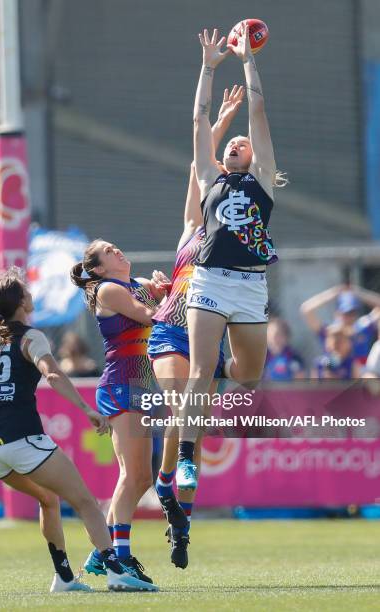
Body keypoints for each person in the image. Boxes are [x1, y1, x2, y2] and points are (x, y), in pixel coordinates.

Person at [0, 267, 156, 593]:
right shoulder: (31, 336)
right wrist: (86, 409)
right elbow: (53, 375)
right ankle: (115, 571)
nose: (31, 295)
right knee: (86, 502)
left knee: (48, 499)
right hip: (22, 439)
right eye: (27, 292)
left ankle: (64, 578)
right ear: (21, 302)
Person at [178, 25, 285, 490]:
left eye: (244, 141)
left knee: (250, 375)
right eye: (233, 142)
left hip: (249, 285)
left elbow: (258, 111)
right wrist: (208, 66)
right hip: (210, 280)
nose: (238, 141)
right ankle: (186, 456)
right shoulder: (209, 178)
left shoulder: (261, 179)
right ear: (221, 158)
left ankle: (222, 365)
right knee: (199, 371)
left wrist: (247, 56)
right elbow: (199, 120)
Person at [147, 84, 244, 568]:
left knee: (194, 433)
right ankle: (167, 486)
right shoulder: (192, 226)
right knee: (181, 404)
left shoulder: (238, 235)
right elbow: (195, 168)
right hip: (169, 329)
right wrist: (221, 123)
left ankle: (180, 519)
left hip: (207, 335)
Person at [71, 242, 166, 586]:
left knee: (141, 477)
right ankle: (120, 560)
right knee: (134, 475)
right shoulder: (108, 289)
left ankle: (102, 554)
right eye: (109, 251)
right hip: (121, 385)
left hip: (139, 385)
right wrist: (170, 294)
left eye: (116, 247)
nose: (118, 251)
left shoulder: (134, 283)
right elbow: (150, 315)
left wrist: (163, 290)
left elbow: (155, 307)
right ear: (97, 269)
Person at [300, 285, 380, 367]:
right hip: (335, 375)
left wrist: (358, 293)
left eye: (352, 313)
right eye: (345, 313)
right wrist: (334, 293)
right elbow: (306, 309)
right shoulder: (330, 333)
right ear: (338, 314)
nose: (349, 317)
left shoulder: (363, 328)